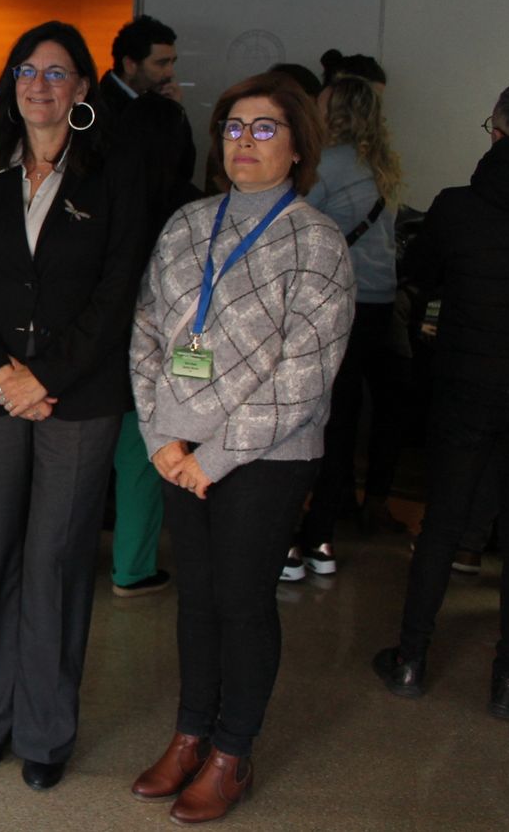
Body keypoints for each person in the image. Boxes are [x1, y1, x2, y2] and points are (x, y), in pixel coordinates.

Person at [129, 71, 353, 824]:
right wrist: (162, 437)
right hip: (178, 447)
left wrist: (211, 457)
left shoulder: (315, 241)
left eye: (264, 129)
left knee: (242, 600)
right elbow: (150, 332)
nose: (245, 142)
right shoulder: (187, 225)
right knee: (197, 600)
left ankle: (232, 752)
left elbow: (305, 376)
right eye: (233, 128)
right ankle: (190, 734)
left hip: (266, 457)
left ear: (297, 148)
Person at [0, 21, 150, 790]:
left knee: (56, 565)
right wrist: (2, 372)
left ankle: (46, 731)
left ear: (83, 89)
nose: (39, 85)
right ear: (12, 84)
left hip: (78, 396)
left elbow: (118, 291)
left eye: (57, 73)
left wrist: (44, 376)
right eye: (26, 70)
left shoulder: (114, 173)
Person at [373, 81, 509, 722]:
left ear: (497, 134)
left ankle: (412, 660)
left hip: (466, 383)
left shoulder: (458, 206)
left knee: (443, 522)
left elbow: (418, 274)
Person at [284, 76, 406, 581]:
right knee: (348, 420)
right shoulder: (382, 167)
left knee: (315, 420)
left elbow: (293, 228)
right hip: (379, 302)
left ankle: (293, 537)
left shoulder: (326, 166)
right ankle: (323, 536)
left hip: (336, 303)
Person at [97, 14, 199, 599]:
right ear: (129, 61)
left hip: (104, 320)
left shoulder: (109, 183)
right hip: (164, 325)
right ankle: (133, 566)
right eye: (161, 62)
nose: (168, 72)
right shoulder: (191, 208)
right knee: (143, 443)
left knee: (96, 443)